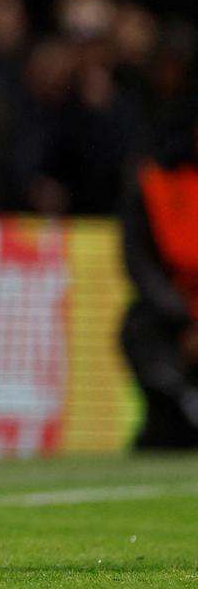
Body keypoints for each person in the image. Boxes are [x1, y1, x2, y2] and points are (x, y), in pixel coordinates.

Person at [120, 107, 198, 450]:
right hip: (173, 314)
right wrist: (185, 318)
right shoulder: (156, 185)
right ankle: (178, 410)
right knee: (139, 328)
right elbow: (139, 264)